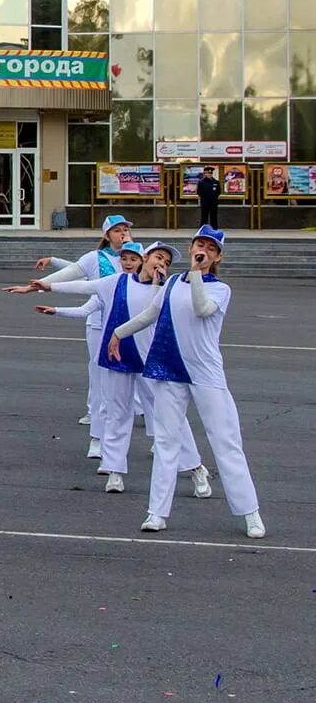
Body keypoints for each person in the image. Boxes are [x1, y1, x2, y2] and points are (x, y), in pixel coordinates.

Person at [24, 241, 212, 500]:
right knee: (117, 413)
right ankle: (114, 471)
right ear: (145, 258)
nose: (161, 264)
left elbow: (153, 312)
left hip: (151, 362)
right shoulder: (115, 282)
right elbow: (85, 285)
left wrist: (159, 283)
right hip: (117, 357)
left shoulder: (168, 287)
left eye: (166, 262)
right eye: (158, 257)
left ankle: (195, 468)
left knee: (170, 416)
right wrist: (47, 286)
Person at [109, 226, 265, 538]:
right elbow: (149, 315)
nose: (203, 250)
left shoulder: (220, 289)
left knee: (226, 441)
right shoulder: (170, 285)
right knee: (167, 442)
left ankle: (250, 513)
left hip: (205, 374)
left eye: (209, 248)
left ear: (217, 256)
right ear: (191, 245)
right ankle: (156, 513)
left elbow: (201, 308)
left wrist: (195, 272)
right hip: (168, 370)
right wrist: (118, 333)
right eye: (199, 244)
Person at [31, 214, 134, 456]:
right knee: (100, 381)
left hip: (131, 328)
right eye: (118, 230)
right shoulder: (95, 258)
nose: (123, 234)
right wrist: (35, 286)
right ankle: (97, 438)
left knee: (142, 384)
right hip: (99, 324)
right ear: (107, 235)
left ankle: (155, 435)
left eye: (126, 230)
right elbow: (74, 274)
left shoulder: (137, 258)